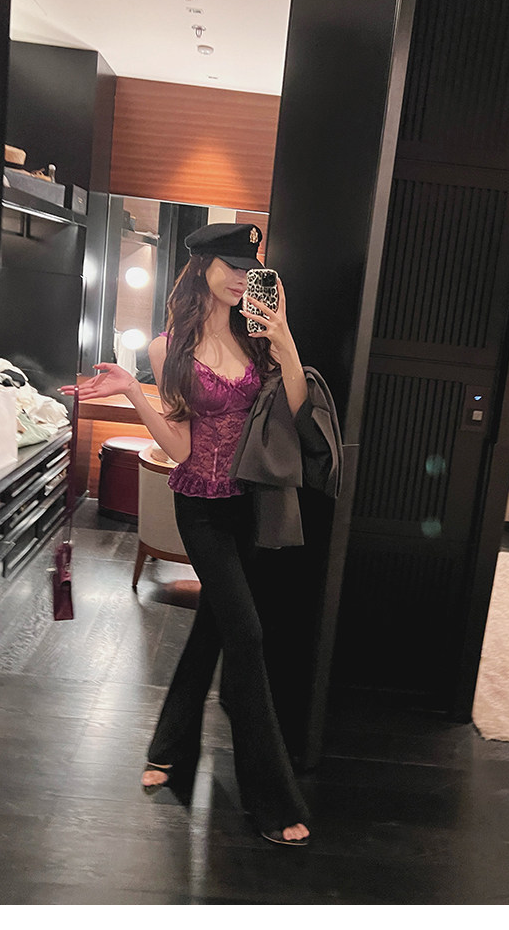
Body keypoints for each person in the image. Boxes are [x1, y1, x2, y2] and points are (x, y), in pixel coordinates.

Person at [60, 223, 325, 847]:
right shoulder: (168, 348)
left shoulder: (256, 337)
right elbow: (180, 445)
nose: (241, 278)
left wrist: (284, 337)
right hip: (201, 508)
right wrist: (134, 392)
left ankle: (169, 748)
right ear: (202, 266)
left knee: (214, 630)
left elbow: (294, 412)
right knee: (247, 635)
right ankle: (272, 798)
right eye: (230, 265)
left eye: (249, 268)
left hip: (252, 505)